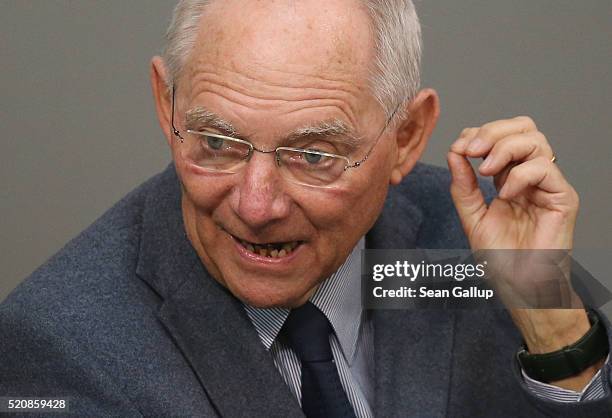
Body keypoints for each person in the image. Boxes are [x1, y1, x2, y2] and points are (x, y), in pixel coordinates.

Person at [1, 0, 610, 416]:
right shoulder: (61, 349)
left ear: (406, 137)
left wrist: (550, 319)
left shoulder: (477, 239)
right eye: (218, 143)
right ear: (168, 106)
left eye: (313, 154)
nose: (256, 205)